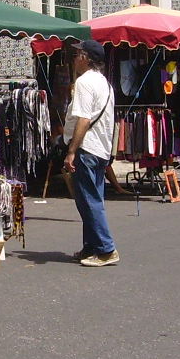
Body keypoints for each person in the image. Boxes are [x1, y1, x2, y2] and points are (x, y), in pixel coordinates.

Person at [62, 39, 118, 267]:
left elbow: (84, 119)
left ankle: (106, 249)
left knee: (89, 200)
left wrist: (71, 151)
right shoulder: (105, 83)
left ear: (85, 58)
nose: (75, 59)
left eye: (77, 55)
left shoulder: (84, 82)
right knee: (91, 200)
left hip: (87, 148)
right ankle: (92, 246)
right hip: (100, 148)